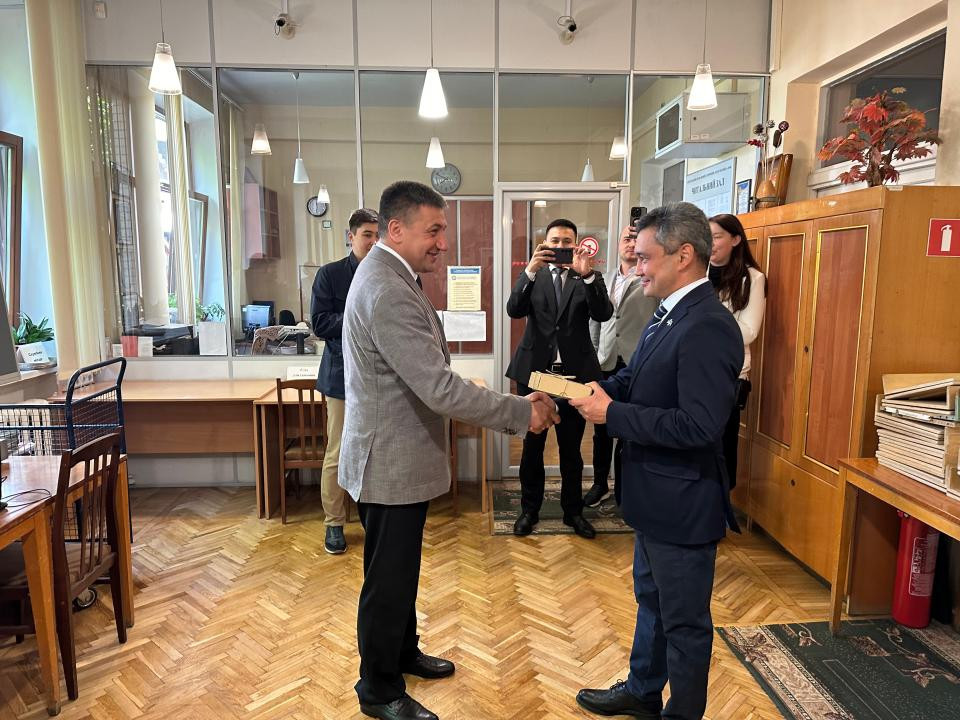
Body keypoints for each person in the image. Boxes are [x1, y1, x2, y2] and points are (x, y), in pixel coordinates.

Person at [339, 180, 560, 720]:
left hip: (394, 457)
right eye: (433, 230)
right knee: (387, 581)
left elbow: (426, 375)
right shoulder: (387, 287)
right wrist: (520, 412)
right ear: (396, 229)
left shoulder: (393, 275)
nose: (443, 242)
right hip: (388, 462)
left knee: (400, 571)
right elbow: (438, 388)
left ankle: (402, 652)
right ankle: (379, 689)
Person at [569, 202, 743, 720]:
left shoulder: (708, 324)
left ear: (683, 255)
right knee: (651, 600)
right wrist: (600, 389)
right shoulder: (670, 311)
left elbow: (699, 426)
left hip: (683, 501)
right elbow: (640, 378)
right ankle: (643, 690)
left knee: (685, 623)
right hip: (654, 496)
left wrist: (612, 414)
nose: (636, 266)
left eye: (644, 257)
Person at [506, 218, 614, 539]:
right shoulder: (535, 274)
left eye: (567, 241)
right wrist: (529, 270)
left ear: (576, 244)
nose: (561, 246)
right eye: (555, 241)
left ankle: (573, 512)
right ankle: (529, 510)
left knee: (571, 450)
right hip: (536, 375)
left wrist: (588, 275)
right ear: (545, 243)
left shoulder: (588, 277)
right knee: (532, 448)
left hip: (574, 377)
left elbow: (603, 313)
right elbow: (514, 309)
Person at [310, 208, 380, 554]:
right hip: (340, 377)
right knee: (337, 451)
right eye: (367, 234)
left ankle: (374, 518)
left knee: (375, 452)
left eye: (378, 235)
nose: (373, 242)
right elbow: (320, 324)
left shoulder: (390, 274)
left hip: (379, 380)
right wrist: (360, 318)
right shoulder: (330, 274)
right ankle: (334, 523)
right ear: (351, 237)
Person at [584, 224, 658, 509]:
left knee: (629, 427)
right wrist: (593, 354)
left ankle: (626, 488)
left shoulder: (651, 278)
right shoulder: (603, 279)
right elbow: (595, 320)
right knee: (601, 429)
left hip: (636, 362)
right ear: (617, 244)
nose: (630, 244)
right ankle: (600, 483)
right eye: (626, 238)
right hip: (605, 360)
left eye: (636, 239)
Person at [708, 213, 766, 490]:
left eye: (717, 237)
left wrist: (708, 321)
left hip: (729, 374)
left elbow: (749, 332)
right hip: (695, 368)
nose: (711, 243)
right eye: (707, 237)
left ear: (735, 239)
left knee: (723, 445)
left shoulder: (752, 279)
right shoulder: (696, 272)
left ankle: (720, 505)